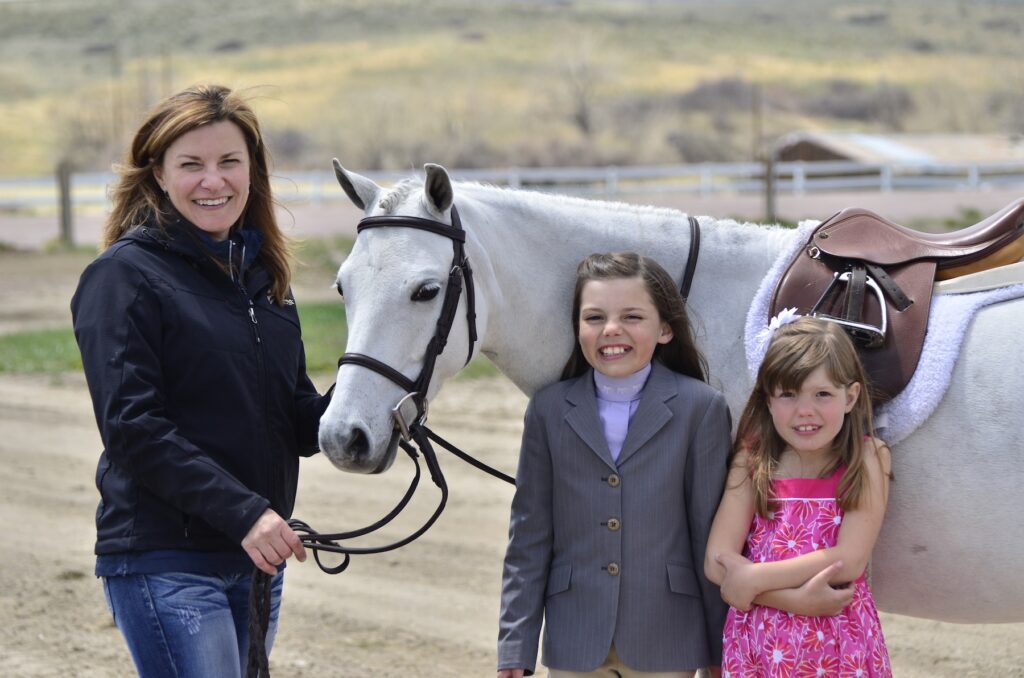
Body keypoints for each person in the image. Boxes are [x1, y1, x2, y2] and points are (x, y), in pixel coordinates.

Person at [70, 84, 332, 677]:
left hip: (256, 558)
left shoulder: (264, 283)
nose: (213, 181)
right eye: (191, 165)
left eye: (228, 162)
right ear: (158, 174)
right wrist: (247, 514)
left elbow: (293, 418)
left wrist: (377, 396)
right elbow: (132, 428)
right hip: (168, 559)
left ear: (253, 171)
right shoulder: (123, 277)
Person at [497, 252, 732, 678]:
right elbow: (528, 538)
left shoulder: (702, 408)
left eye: (632, 316)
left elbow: (710, 539)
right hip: (574, 637)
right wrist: (515, 646)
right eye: (594, 317)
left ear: (664, 329)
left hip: (668, 639)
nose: (611, 330)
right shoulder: (548, 410)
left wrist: (719, 650)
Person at [704, 315, 893, 676]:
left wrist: (754, 581)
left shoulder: (868, 458)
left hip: (839, 647)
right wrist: (794, 601)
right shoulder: (753, 460)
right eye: (788, 394)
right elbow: (716, 560)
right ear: (768, 400)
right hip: (757, 648)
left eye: (822, 394)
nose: (805, 411)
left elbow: (848, 560)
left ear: (850, 396)